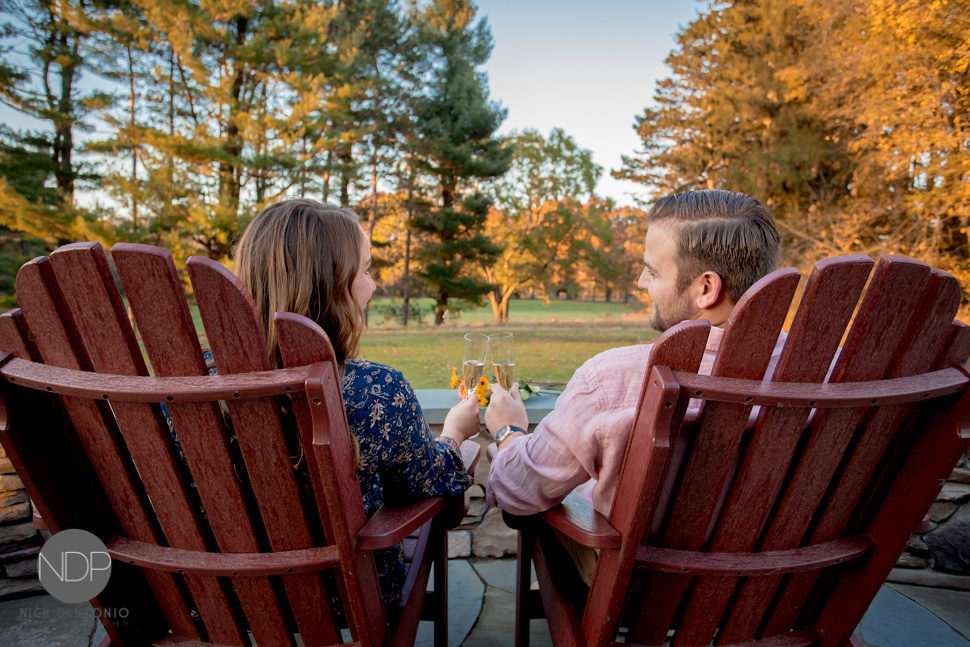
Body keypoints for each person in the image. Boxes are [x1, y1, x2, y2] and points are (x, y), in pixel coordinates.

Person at [483, 189, 782, 584]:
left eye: (653, 271)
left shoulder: (613, 379)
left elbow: (519, 491)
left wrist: (508, 433)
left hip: (643, 593)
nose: (642, 282)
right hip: (774, 587)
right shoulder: (828, 372)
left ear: (705, 289)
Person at [234, 198, 482, 604]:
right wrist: (454, 433)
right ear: (330, 287)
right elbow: (429, 482)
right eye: (366, 270)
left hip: (228, 597)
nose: (373, 284)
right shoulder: (375, 390)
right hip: (347, 597)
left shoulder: (190, 385)